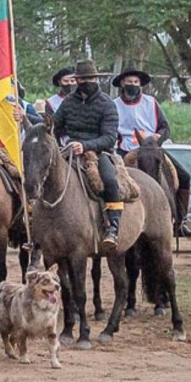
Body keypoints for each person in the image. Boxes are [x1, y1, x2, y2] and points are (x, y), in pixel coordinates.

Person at [50, 59, 124, 253]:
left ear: (96, 79)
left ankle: (113, 227)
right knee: (47, 176)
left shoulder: (106, 104)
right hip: (69, 151)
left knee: (109, 180)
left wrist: (85, 145)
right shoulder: (68, 102)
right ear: (76, 80)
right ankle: (41, 230)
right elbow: (54, 127)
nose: (86, 82)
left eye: (90, 78)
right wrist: (25, 118)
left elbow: (109, 137)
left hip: (99, 152)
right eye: (82, 78)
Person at [112, 68, 170, 154]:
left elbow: (165, 128)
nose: (133, 84)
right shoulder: (114, 105)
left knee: (170, 166)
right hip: (125, 150)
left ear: (140, 84)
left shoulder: (151, 102)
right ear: (123, 83)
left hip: (151, 150)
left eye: (136, 82)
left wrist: (159, 136)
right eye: (130, 82)